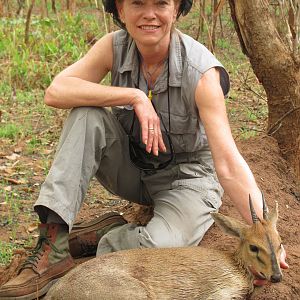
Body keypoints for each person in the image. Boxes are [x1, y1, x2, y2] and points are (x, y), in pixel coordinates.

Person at [0, 0, 288, 299]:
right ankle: (54, 245)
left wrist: (267, 236)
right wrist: (134, 96)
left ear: (176, 10)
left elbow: (227, 164)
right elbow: (56, 91)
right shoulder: (114, 46)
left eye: (161, 3)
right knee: (86, 115)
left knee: (160, 249)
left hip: (187, 181)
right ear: (121, 11)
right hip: (133, 169)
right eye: (137, 2)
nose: (149, 14)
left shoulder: (202, 72)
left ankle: (102, 239)